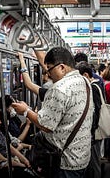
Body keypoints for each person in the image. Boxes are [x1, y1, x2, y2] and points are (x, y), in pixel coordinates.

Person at [12, 47, 94, 178]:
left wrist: (26, 111)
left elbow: (45, 125)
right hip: (82, 155)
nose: (48, 75)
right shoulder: (84, 81)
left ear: (62, 67)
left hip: (64, 161)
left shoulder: (59, 89)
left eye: (49, 69)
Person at [75, 61, 102, 178]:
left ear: (85, 75)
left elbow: (96, 111)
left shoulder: (93, 88)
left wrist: (91, 131)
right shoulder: (96, 85)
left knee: (94, 163)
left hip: (94, 133)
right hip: (93, 132)